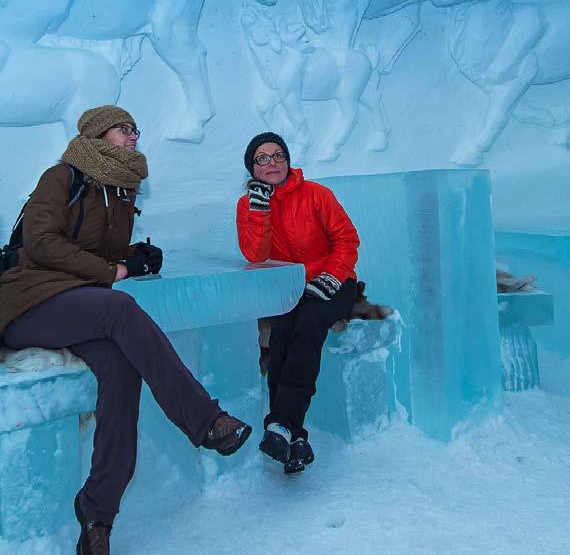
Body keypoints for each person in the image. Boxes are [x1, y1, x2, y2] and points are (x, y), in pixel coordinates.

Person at [0, 106, 251, 555]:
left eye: (137, 129)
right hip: (26, 301)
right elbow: (42, 242)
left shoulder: (121, 191)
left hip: (75, 304)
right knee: (121, 309)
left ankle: (97, 513)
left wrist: (134, 255)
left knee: (120, 369)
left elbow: (95, 250)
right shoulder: (62, 176)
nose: (134, 136)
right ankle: (205, 419)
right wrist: (114, 271)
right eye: (124, 129)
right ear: (100, 134)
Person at [236, 132, 360, 474]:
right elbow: (255, 255)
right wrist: (260, 210)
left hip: (336, 282)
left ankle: (282, 424)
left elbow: (347, 241)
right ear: (252, 168)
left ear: (288, 160)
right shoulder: (247, 206)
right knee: (281, 336)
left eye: (278, 155)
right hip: (288, 289)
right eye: (262, 158)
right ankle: (293, 436)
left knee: (307, 326)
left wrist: (331, 277)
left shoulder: (317, 195)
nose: (272, 162)